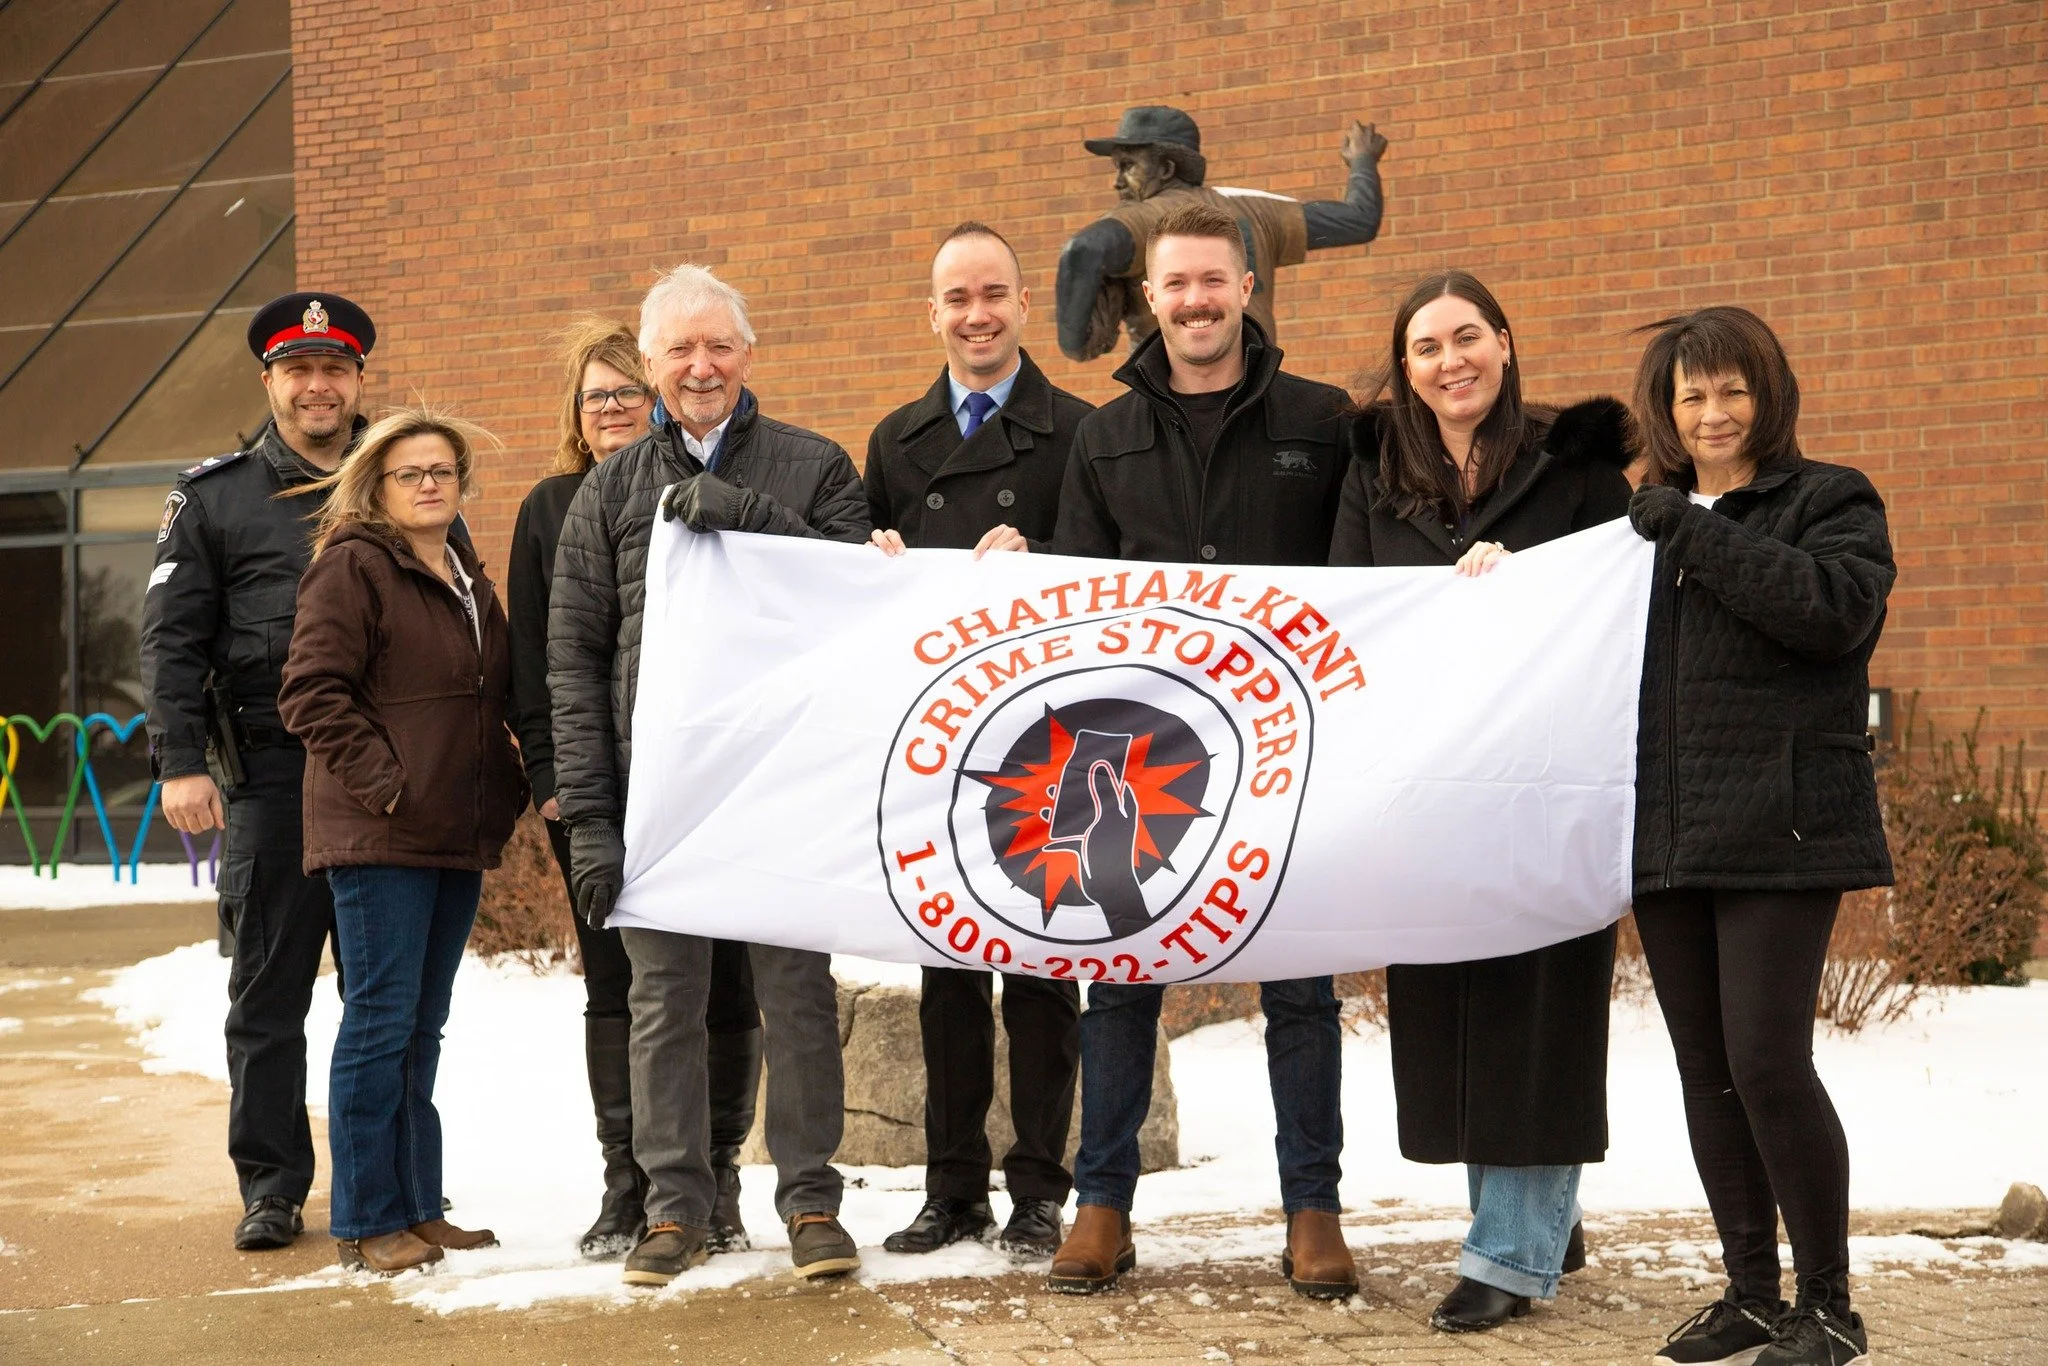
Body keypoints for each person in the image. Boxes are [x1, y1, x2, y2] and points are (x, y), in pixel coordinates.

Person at [994, 203, 1355, 1299]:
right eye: (1173, 284)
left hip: (1286, 744)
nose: (1194, 299)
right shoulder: (1102, 437)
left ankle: (1312, 1208)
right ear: (1145, 299)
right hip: (1139, 757)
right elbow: (1075, 605)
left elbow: (1360, 577)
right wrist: (1015, 565)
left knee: (1299, 988)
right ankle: (1100, 1202)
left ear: (1246, 285)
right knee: (1119, 982)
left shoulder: (1323, 419)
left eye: (1212, 279)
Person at [548, 263, 871, 1286]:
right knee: (663, 1004)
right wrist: (593, 821)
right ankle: (674, 1207)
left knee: (797, 996)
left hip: (785, 788)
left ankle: (811, 1198)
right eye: (678, 349)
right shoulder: (605, 493)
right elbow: (573, 665)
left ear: (747, 354)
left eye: (717, 345)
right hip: (663, 798)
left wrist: (752, 517)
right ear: (648, 365)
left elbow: (853, 601)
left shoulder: (814, 468)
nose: (699, 365)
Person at [1328, 270, 1631, 1331]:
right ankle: (1539, 1217)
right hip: (1431, 781)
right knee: (1454, 1014)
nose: (1447, 360)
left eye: (1466, 337)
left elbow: (1619, 599)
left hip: (1548, 782)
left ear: (1504, 343)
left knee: (1535, 1008)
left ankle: (1507, 1252)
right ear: (1404, 368)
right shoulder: (1375, 474)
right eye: (1424, 346)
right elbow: (1345, 613)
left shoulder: (1578, 464)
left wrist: (1531, 583)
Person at [1627, 308, 1892, 1366]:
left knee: (1766, 1059)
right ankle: (1748, 1290)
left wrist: (1691, 528)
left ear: (1766, 393)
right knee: (1705, 1069)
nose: (1711, 412)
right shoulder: (1633, 524)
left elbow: (1830, 612)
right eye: (1690, 395)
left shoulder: (1828, 498)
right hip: (1664, 832)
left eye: (1730, 389)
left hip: (1782, 822)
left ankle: (1825, 1303)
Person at [507, 318, 764, 1261]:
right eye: (596, 396)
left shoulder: (713, 484)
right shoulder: (551, 507)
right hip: (598, 794)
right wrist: (555, 785)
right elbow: (540, 662)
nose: (613, 407)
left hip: (713, 792)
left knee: (725, 984)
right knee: (620, 991)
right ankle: (632, 1183)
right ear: (576, 414)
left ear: (655, 392)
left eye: (626, 390)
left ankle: (718, 1176)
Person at [863, 223, 1094, 1258]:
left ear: (1021, 305)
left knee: (1043, 969)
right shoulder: (893, 438)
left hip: (1051, 746)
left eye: (993, 293)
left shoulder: (1080, 432)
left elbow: (1107, 584)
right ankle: (950, 1185)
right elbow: (863, 598)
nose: (975, 314)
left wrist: (1037, 562)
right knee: (947, 976)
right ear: (931, 312)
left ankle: (1041, 1185)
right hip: (942, 744)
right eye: (955, 297)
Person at [138, 291, 376, 1251]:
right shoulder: (215, 496)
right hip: (273, 778)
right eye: (298, 370)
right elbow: (171, 641)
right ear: (269, 380)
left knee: (386, 996)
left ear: (357, 378)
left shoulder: (396, 473)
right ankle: (272, 1186)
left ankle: (383, 1183)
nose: (318, 386)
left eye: (335, 368)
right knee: (271, 996)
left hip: (382, 782)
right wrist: (181, 762)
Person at [277, 408, 526, 1274]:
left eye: (443, 472)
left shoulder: (463, 572)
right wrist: (391, 785)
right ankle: (364, 1219)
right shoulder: (353, 568)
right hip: (380, 837)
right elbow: (310, 694)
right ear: (378, 487)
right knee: (380, 1026)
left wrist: (510, 787)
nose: (430, 484)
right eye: (410, 472)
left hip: (453, 835)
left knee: (423, 1029)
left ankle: (420, 1208)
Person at [1056, 105, 1387, 362]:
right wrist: (1362, 160)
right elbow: (1359, 219)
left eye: (1127, 167)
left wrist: (1074, 345)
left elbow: (1083, 249)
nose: (1117, 182)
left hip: (1168, 402)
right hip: (1258, 395)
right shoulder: (1259, 210)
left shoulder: (1143, 215)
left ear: (1167, 169)